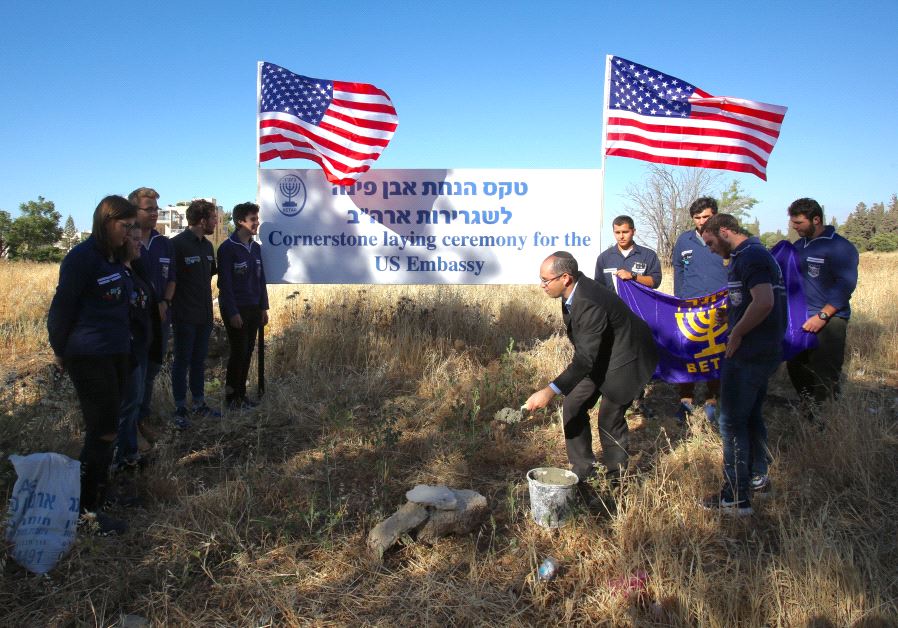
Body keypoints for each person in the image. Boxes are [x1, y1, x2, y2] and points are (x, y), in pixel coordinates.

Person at [525, 252, 658, 496]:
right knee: (573, 405)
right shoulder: (572, 293)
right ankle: (583, 471)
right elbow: (588, 352)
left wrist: (549, 391)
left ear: (565, 278)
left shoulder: (588, 301)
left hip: (629, 357)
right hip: (602, 355)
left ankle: (618, 486)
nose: (542, 285)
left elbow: (584, 359)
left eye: (545, 280)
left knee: (609, 418)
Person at [47, 195, 137, 535]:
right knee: (102, 430)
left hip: (116, 352)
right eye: (125, 226)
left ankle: (101, 491)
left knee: (110, 426)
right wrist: (60, 350)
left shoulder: (114, 258)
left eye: (131, 227)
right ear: (106, 222)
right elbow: (61, 309)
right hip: (89, 355)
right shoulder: (81, 258)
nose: (128, 233)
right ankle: (87, 511)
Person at [700, 214, 787, 515]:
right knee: (750, 416)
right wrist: (732, 313)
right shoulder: (748, 255)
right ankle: (757, 478)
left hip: (750, 353)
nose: (710, 249)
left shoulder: (751, 256)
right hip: (759, 350)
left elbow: (764, 302)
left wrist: (736, 332)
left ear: (724, 231)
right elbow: (752, 300)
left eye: (710, 242)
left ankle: (736, 497)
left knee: (731, 421)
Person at [785, 198, 859, 413]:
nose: (794, 227)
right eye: (793, 222)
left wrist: (823, 316)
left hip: (829, 320)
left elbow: (845, 285)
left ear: (816, 219)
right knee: (796, 366)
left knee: (825, 373)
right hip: (801, 319)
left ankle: (826, 419)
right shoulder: (799, 246)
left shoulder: (840, 247)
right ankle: (808, 410)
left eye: (798, 222)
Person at [110, 221, 159, 506]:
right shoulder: (115, 272)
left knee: (133, 403)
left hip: (140, 348)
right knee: (125, 406)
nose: (140, 244)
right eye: (135, 239)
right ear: (123, 240)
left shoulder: (136, 270)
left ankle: (130, 455)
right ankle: (119, 463)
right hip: (124, 351)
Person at [671, 197, 729, 425]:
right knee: (688, 354)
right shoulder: (684, 240)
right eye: (698, 217)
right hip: (690, 308)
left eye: (707, 216)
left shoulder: (726, 239)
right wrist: (679, 300)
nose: (702, 221)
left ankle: (712, 400)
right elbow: (678, 270)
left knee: (716, 354)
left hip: (719, 307)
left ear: (716, 215)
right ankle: (686, 400)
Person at [128, 187, 175, 442]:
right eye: (149, 209)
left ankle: (142, 420)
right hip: (136, 324)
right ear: (134, 210)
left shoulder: (164, 244)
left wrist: (165, 302)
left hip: (161, 320)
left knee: (152, 370)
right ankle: (130, 428)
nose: (155, 213)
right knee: (136, 374)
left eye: (157, 208)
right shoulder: (126, 243)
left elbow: (172, 279)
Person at [170, 199, 220, 428]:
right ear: (202, 221)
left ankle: (199, 403)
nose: (216, 222)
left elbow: (210, 276)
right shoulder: (176, 245)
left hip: (204, 315)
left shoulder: (208, 247)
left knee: (199, 361)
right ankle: (180, 407)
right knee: (182, 361)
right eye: (213, 218)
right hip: (184, 316)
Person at [217, 202, 269, 410]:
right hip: (236, 309)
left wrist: (263, 307)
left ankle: (242, 395)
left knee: (247, 351)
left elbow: (260, 280)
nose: (257, 223)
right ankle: (231, 398)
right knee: (238, 352)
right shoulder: (227, 248)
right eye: (252, 219)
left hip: (254, 308)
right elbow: (225, 285)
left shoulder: (255, 248)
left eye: (257, 219)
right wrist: (232, 312)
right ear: (240, 221)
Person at [593, 215, 662, 291]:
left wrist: (633, 276)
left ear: (633, 232)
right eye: (617, 232)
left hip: (638, 299)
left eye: (625, 232)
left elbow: (655, 281)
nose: (621, 236)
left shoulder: (648, 255)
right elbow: (598, 287)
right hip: (612, 299)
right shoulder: (604, 257)